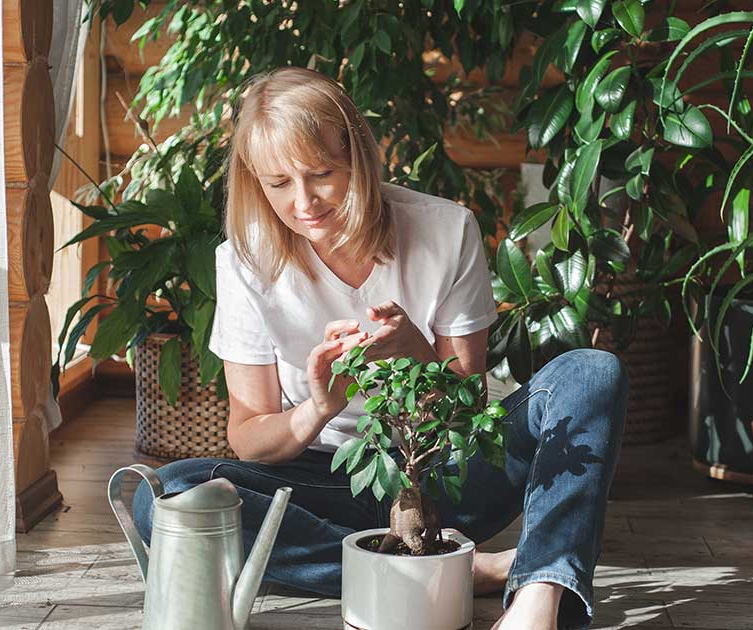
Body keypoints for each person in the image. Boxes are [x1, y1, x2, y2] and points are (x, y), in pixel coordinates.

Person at [132, 66, 628, 630]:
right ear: (254, 180)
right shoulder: (244, 260)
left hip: (443, 477)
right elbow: (248, 437)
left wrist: (417, 351)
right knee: (169, 496)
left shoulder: (446, 231)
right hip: (322, 481)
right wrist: (319, 406)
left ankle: (539, 594)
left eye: (321, 173)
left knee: (592, 372)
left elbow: (467, 415)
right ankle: (451, 570)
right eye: (277, 184)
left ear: (359, 157)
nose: (303, 203)